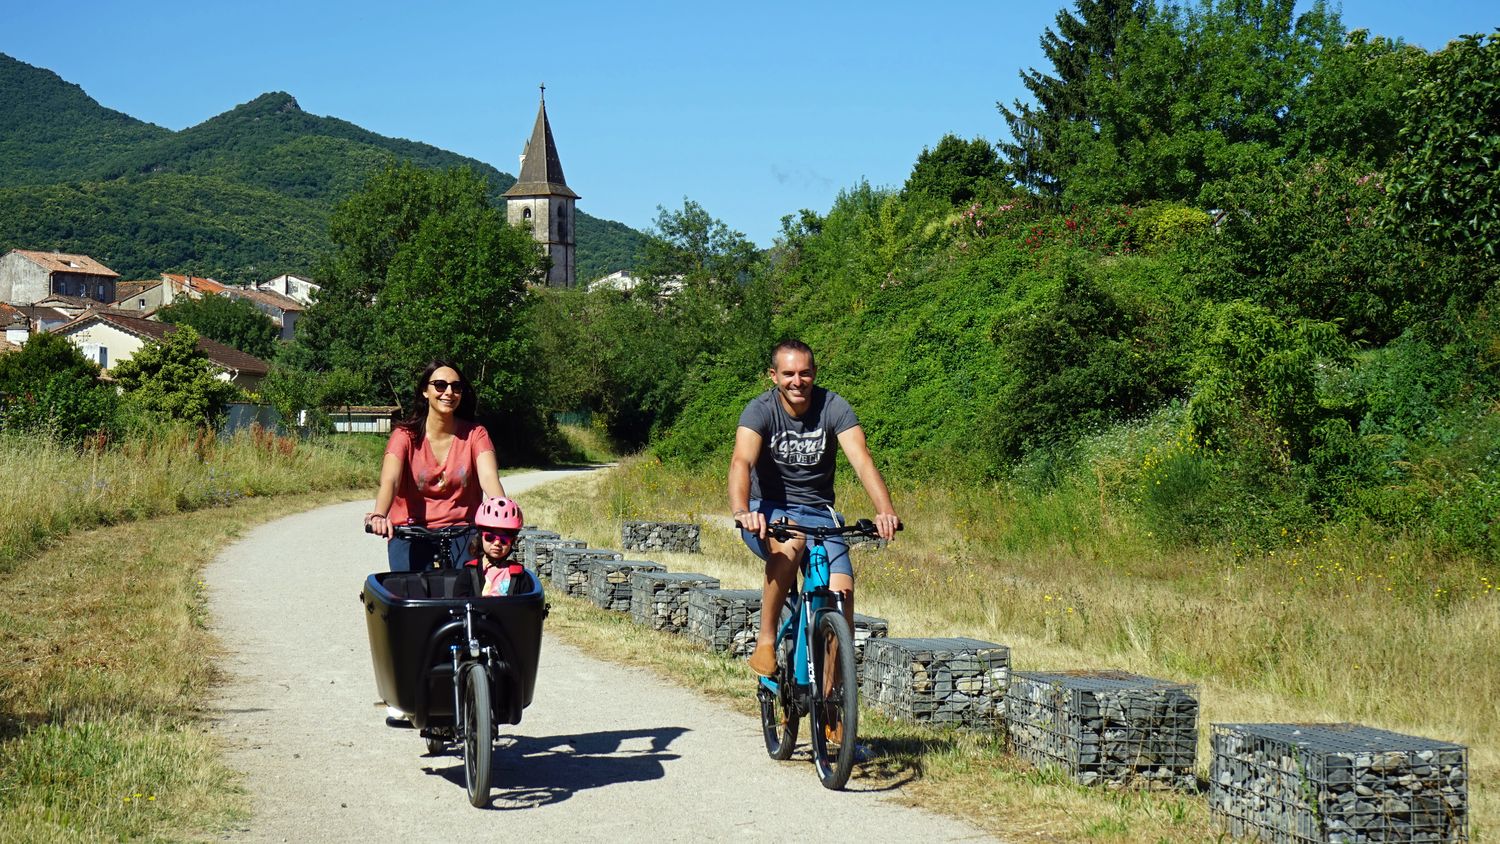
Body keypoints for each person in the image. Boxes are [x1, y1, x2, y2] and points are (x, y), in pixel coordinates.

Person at [728, 339, 900, 678]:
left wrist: (885, 510)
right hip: (768, 510)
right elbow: (741, 461)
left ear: (814, 374)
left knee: (842, 591)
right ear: (773, 376)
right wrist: (741, 510)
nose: (797, 381)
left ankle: (834, 693)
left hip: (820, 513)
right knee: (791, 541)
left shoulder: (834, 407)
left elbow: (862, 461)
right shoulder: (760, 410)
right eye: (788, 373)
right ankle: (765, 641)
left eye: (805, 373)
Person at [365, 360, 506, 572]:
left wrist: (502, 516)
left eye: (456, 387)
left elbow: (489, 478)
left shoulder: (476, 434)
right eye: (440, 385)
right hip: (411, 530)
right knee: (411, 597)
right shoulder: (404, 436)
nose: (449, 392)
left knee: (470, 597)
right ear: (425, 391)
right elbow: (390, 481)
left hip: (463, 531)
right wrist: (379, 514)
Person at [464, 495, 527, 597]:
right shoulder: (469, 572)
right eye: (490, 537)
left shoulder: (518, 575)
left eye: (504, 539)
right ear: (481, 537)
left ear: (513, 541)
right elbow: (457, 603)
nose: (497, 543)